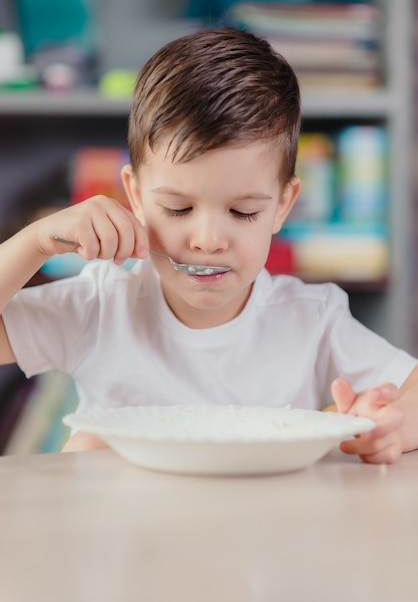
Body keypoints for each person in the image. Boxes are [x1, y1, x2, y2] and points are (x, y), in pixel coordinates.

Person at [1, 27, 417, 463]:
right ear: (137, 197)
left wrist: (395, 425)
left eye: (242, 213)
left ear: (283, 205)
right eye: (178, 209)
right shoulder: (100, 306)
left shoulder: (312, 321)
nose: (208, 241)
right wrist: (35, 242)